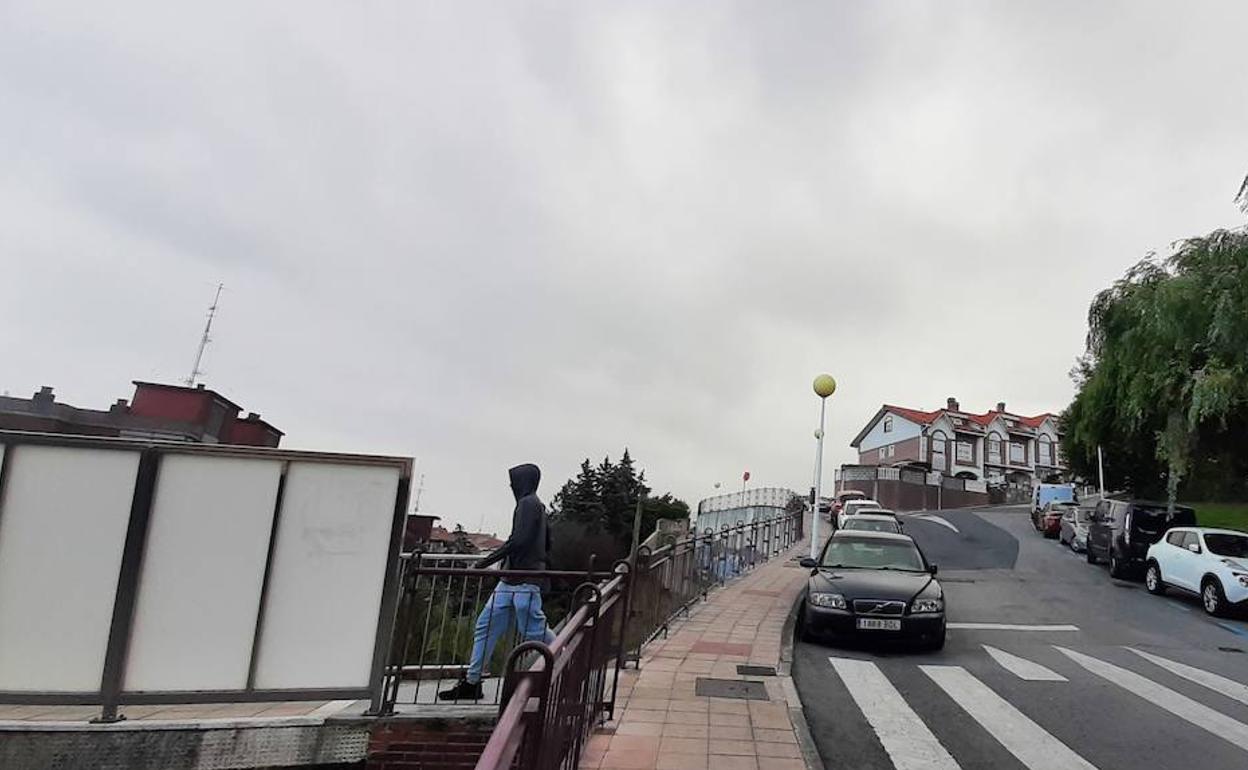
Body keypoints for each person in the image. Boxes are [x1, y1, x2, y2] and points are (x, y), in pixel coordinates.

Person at [439, 463, 555, 701]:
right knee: (489, 625)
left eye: (514, 480)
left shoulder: (528, 504)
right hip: (514, 579)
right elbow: (544, 542)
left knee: (532, 629)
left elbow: (518, 541)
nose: (511, 485)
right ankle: (472, 680)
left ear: (523, 481)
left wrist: (486, 561)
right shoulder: (535, 506)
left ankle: (567, 658)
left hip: (523, 579)